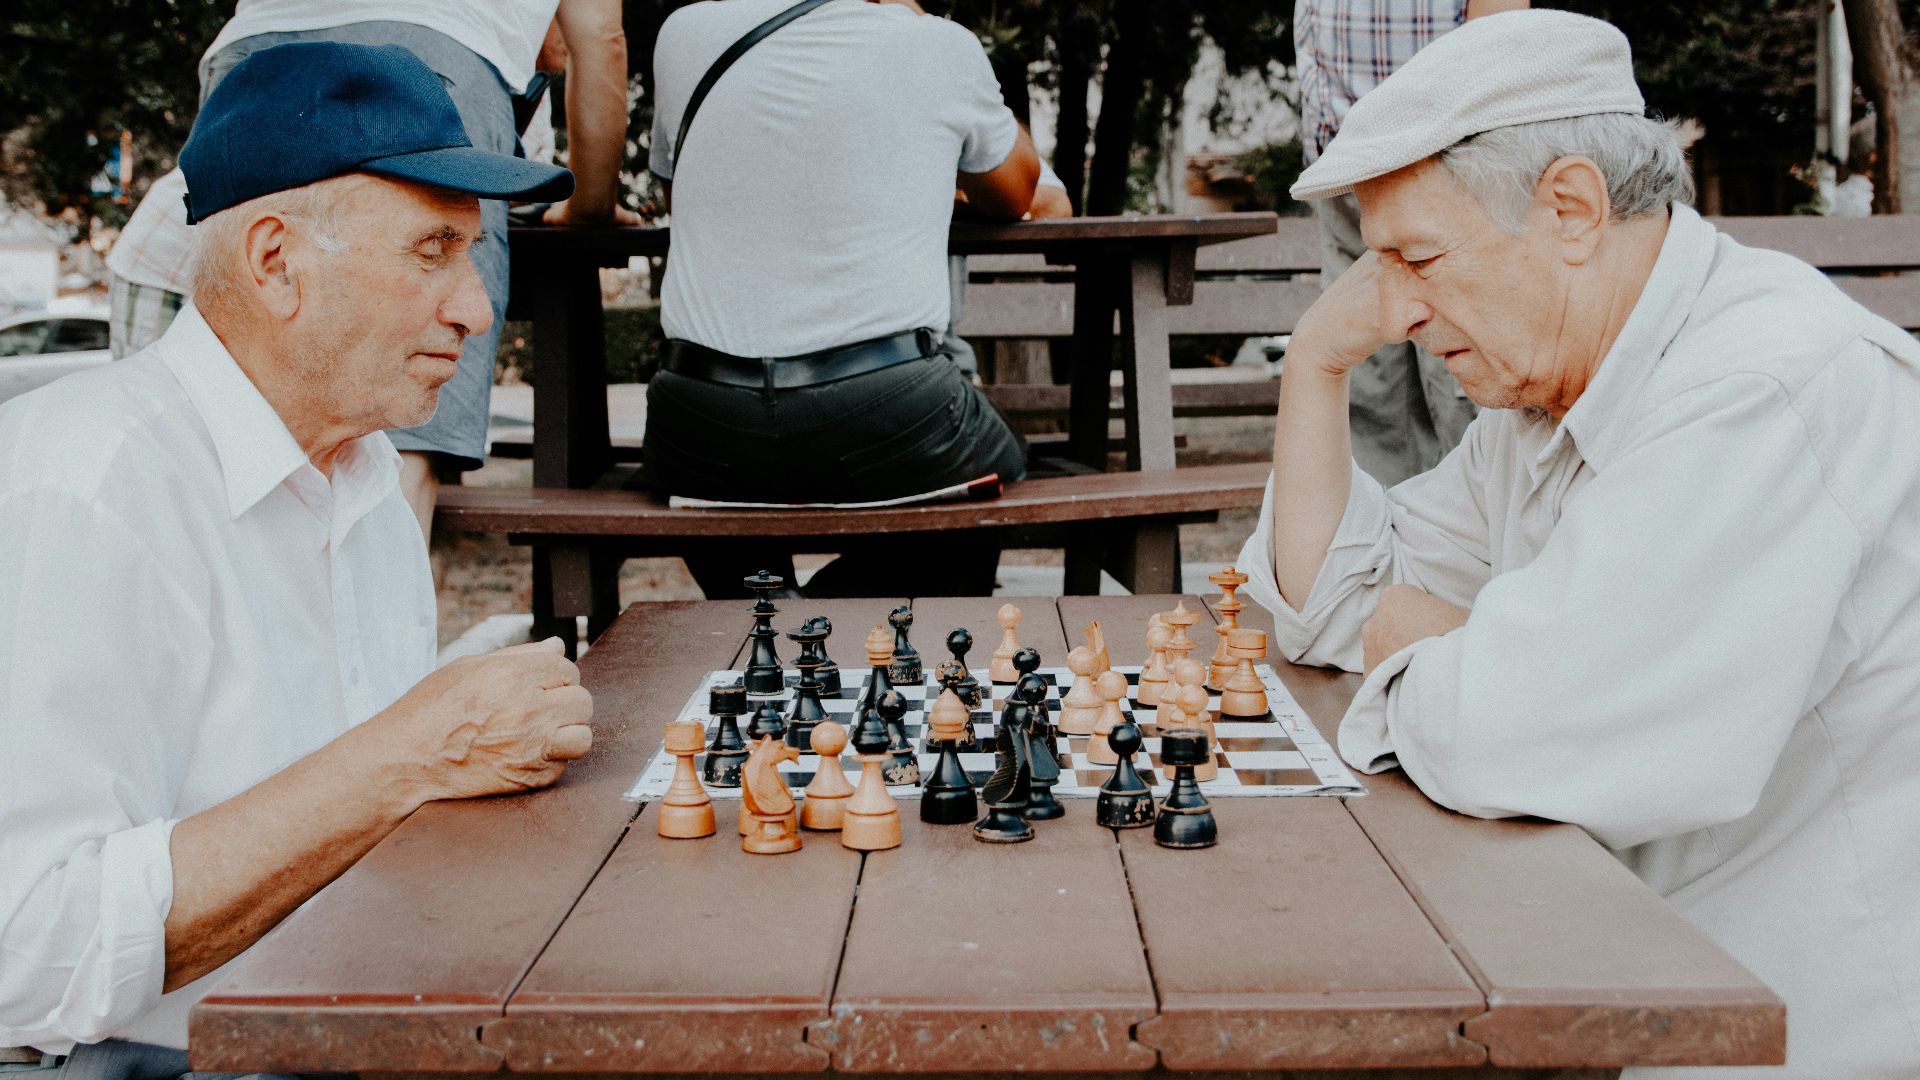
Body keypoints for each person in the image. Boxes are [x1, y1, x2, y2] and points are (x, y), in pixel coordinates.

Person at [1239, 10, 1920, 1077]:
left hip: (1781, 1023)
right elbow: (1322, 604)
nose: (1398, 312)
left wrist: (1433, 644)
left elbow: (1519, 737)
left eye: (1418, 257)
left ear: (1569, 208)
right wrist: (1314, 367)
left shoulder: (1761, 388)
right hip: (1613, 968)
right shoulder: (1549, 398)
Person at [0, 43, 593, 1076]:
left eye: (473, 254)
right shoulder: (90, 484)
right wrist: (409, 754)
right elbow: (27, 952)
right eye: (432, 251)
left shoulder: (359, 473)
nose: (476, 308)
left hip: (338, 1023)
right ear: (276, 263)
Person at [105, 0, 634, 540]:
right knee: (403, 440)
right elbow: (601, 38)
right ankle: (377, 611)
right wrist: (592, 206)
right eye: (434, 252)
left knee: (220, 429)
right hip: (442, 51)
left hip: (251, 50)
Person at [643, 0, 1040, 599]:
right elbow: (1018, 191)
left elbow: (682, 191)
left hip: (698, 417)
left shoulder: (683, 31)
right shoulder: (937, 45)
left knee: (724, 472)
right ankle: (830, 619)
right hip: (891, 409)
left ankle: (764, 609)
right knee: (987, 472)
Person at [1293, 0, 1526, 487]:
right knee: (1368, 384)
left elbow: (1500, 31)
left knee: (1461, 381)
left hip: (1442, 153)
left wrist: (1478, 138)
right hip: (1339, 160)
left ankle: (1486, 544)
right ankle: (1383, 551)